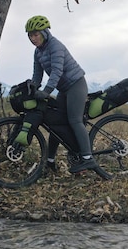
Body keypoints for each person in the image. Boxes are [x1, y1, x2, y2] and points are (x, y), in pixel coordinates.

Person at [25, 15, 98, 174]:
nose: (33, 38)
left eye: (36, 34)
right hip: (64, 89)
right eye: (30, 35)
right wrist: (32, 87)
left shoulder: (55, 46)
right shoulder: (38, 52)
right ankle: (50, 161)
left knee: (74, 120)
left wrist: (46, 91)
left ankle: (88, 158)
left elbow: (57, 72)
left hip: (76, 84)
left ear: (44, 33)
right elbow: (38, 75)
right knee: (56, 125)